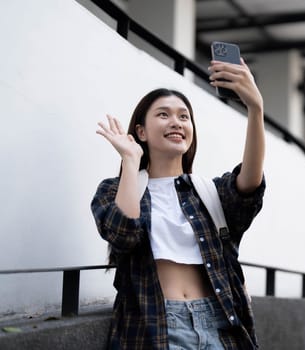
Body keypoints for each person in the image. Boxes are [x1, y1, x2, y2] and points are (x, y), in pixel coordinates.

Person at [91, 58, 265, 349]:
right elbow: (124, 234)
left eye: (184, 116)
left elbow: (249, 187)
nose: (176, 122)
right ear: (141, 132)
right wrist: (130, 162)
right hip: (157, 327)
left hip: (219, 323)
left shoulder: (209, 193)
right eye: (163, 114)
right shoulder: (114, 190)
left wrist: (255, 110)